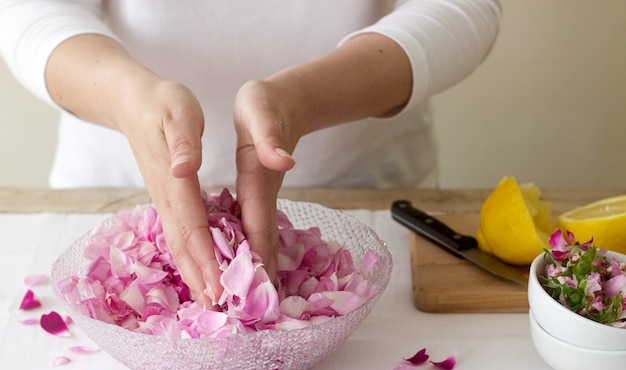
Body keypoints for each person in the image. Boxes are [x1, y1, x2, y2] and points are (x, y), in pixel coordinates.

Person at [0, 0, 501, 307]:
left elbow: (464, 4)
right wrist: (129, 100)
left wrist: (305, 99)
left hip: (362, 191)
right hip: (115, 192)